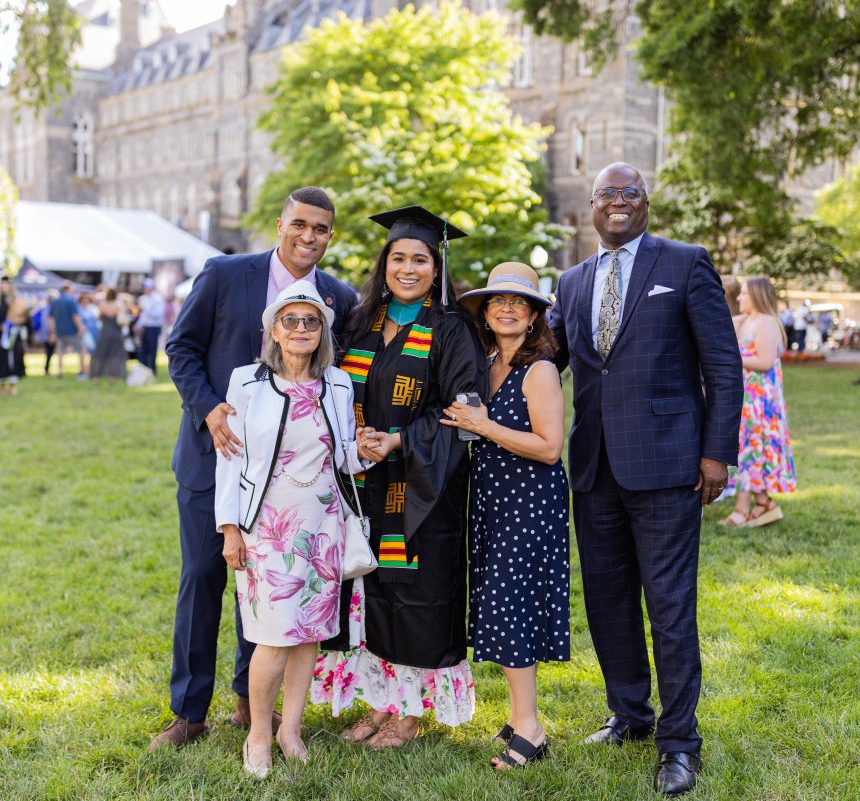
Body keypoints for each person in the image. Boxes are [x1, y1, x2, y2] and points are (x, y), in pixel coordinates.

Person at [547, 163, 742, 797]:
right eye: (607, 195)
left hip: (668, 465)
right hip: (595, 466)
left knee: (669, 605)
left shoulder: (685, 264)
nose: (619, 203)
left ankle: (680, 743)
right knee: (606, 602)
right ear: (591, 208)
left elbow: (722, 362)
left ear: (647, 204)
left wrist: (717, 453)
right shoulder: (571, 281)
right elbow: (542, 358)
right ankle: (630, 714)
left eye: (630, 193)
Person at [155, 186, 356, 750]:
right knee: (203, 579)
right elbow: (182, 349)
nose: (308, 236)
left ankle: (252, 703)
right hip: (216, 462)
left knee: (269, 590)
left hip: (293, 488)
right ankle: (189, 711)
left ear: (329, 236)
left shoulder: (337, 298)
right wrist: (208, 406)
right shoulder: (225, 274)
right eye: (300, 224)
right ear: (280, 224)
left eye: (320, 228)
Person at [313, 205, 485, 750]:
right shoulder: (359, 325)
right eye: (398, 258)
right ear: (383, 264)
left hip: (421, 487)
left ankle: (407, 711)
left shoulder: (453, 329)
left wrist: (399, 441)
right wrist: (354, 439)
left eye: (420, 259)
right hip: (361, 485)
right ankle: (377, 699)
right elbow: (332, 391)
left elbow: (461, 410)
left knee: (415, 593)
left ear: (438, 268)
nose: (407, 268)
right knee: (367, 589)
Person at [216, 280, 362, 774]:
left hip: (322, 524)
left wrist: (372, 447)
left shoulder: (339, 384)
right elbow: (229, 462)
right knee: (273, 637)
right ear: (274, 331)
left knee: (308, 636)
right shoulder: (248, 382)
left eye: (311, 321)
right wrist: (229, 528)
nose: (301, 329)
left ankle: (291, 729)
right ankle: (258, 734)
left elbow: (345, 459)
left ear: (322, 331)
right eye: (290, 321)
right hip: (267, 527)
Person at [443, 262, 570, 770]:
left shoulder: (538, 370)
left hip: (528, 500)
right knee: (498, 604)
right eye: (498, 301)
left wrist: (483, 424)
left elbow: (549, 448)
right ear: (486, 313)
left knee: (512, 603)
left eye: (520, 302)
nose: (508, 308)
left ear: (535, 314)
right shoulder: (489, 362)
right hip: (493, 498)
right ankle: (520, 718)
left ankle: (532, 728)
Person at [718, 277, 796, 527]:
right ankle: (763, 504)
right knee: (748, 450)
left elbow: (764, 362)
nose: (739, 298)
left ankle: (746, 509)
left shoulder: (767, 323)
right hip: (748, 397)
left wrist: (733, 358)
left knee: (751, 450)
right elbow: (722, 325)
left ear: (757, 296)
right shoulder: (749, 320)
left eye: (744, 295)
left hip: (761, 402)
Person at [89, 288, 128, 382]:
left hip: (105, 332)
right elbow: (123, 318)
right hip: (116, 332)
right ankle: (112, 377)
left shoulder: (102, 304)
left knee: (100, 354)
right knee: (115, 354)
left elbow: (99, 317)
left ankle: (96, 377)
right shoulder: (119, 304)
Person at [0, 294, 29, 396]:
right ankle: (2, 386)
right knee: (2, 361)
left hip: (14, 338)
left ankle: (12, 385)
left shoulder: (18, 308)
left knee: (14, 361)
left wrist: (19, 320)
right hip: (2, 339)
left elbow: (26, 321)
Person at [49, 284, 85, 378]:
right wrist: (80, 328)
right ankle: (81, 371)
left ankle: (60, 372)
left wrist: (53, 331)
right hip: (71, 331)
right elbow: (75, 316)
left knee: (60, 351)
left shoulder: (55, 302)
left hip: (59, 331)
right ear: (67, 290)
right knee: (81, 350)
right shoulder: (70, 301)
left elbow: (50, 318)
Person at [135, 278, 166, 376]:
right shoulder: (144, 298)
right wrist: (138, 324)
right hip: (145, 327)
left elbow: (158, 314)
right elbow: (143, 315)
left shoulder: (157, 298)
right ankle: (143, 371)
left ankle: (152, 371)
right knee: (143, 350)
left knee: (152, 350)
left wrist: (146, 309)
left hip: (153, 327)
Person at [78, 291, 100, 374]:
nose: (85, 301)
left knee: (92, 352)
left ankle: (91, 369)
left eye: (87, 299)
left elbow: (97, 320)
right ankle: (82, 370)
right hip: (83, 333)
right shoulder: (78, 309)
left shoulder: (93, 308)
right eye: (83, 299)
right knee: (83, 351)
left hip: (94, 332)